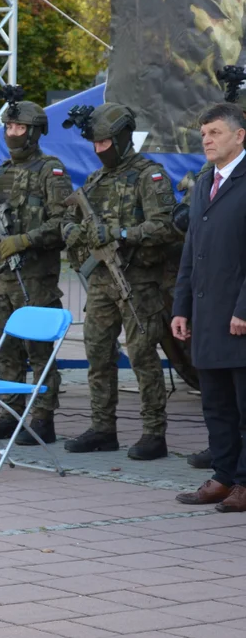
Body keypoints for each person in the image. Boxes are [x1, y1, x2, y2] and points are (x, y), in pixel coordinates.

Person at [61, 103, 176, 460]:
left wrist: (121, 233)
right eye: (95, 144)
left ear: (123, 138)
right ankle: (102, 428)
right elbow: (66, 218)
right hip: (100, 283)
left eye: (105, 143)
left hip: (138, 282)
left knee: (142, 357)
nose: (100, 150)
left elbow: (167, 226)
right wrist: (77, 232)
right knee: (97, 353)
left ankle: (154, 433)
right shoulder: (96, 180)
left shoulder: (149, 176)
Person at [0, 94, 70, 445]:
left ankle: (43, 418)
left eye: (19, 126)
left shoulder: (50, 171)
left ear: (34, 132)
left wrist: (25, 241)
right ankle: (10, 413)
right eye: (9, 126)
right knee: (5, 347)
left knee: (38, 350)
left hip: (34, 278)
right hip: (0, 278)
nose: (12, 132)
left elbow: (64, 224)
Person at [173, 102, 246, 512]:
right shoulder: (204, 183)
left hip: (239, 316)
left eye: (215, 132)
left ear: (239, 136)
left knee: (244, 406)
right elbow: (191, 251)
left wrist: (244, 308)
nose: (207, 140)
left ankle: (245, 482)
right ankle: (223, 476)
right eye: (203, 133)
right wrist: (180, 306)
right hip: (206, 313)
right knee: (215, 402)